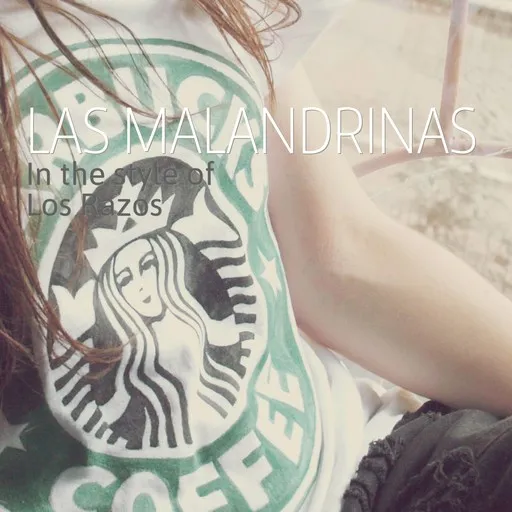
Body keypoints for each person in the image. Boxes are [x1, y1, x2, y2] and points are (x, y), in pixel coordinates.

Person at [1, 1, 512, 511]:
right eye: (125, 277)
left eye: (149, 266)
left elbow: (337, 259)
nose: (140, 285)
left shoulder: (218, 9)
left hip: (360, 466)